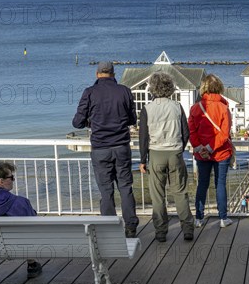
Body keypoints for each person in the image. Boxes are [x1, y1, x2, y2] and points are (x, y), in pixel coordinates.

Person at [72, 61, 139, 238]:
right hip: (121, 147)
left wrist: (91, 122)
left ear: (97, 74)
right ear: (113, 73)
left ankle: (110, 227)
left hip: (100, 148)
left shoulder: (90, 92)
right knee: (125, 187)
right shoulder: (124, 90)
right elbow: (133, 119)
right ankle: (131, 226)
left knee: (106, 190)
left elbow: (77, 122)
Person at [138, 73, 194, 242]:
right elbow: (186, 132)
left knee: (157, 195)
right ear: (170, 88)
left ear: (152, 89)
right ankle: (187, 229)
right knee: (180, 193)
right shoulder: (177, 106)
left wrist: (142, 160)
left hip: (155, 153)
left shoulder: (147, 109)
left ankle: (161, 231)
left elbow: (143, 137)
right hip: (175, 153)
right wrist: (179, 148)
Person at [188, 74, 234, 228]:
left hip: (201, 154)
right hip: (220, 152)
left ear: (203, 88)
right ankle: (223, 218)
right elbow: (224, 134)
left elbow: (191, 132)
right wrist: (210, 147)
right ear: (219, 88)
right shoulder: (223, 108)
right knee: (220, 184)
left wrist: (201, 148)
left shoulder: (195, 108)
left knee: (202, 184)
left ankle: (199, 218)